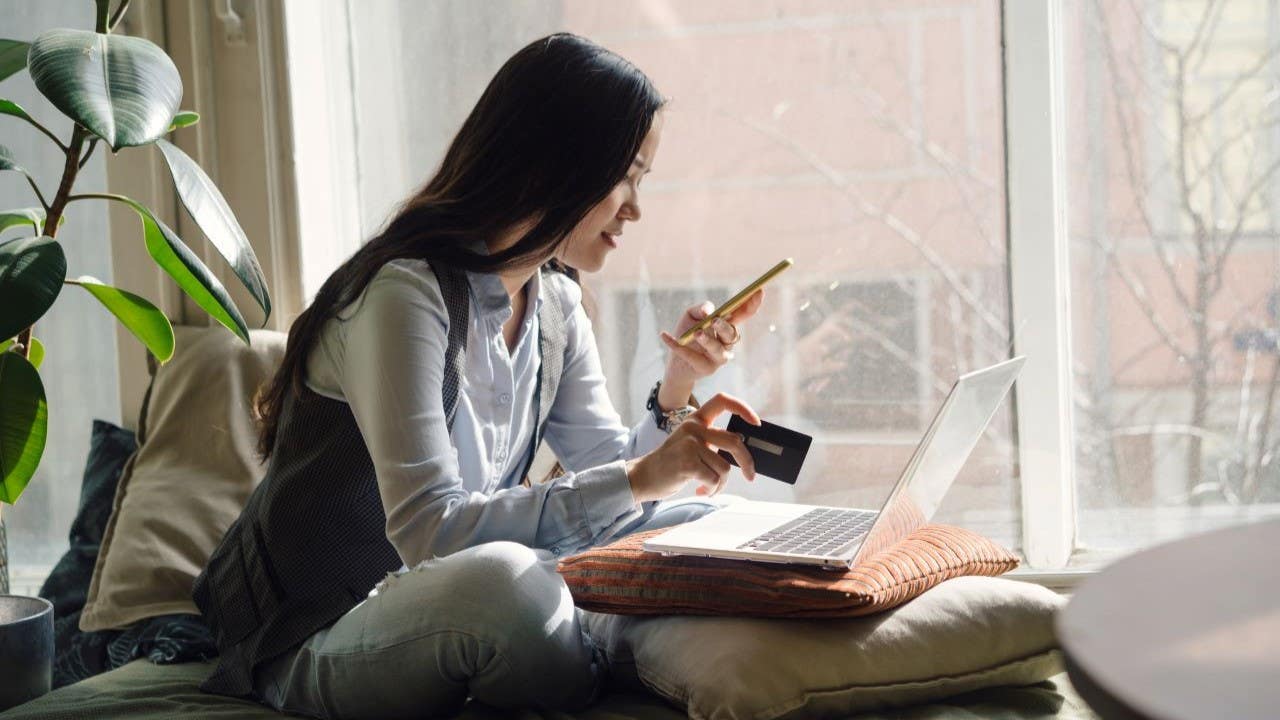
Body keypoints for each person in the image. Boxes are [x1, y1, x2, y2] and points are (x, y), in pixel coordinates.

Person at [192, 33, 766, 719]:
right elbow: (430, 532)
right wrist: (640, 480)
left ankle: (611, 634)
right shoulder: (404, 295)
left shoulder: (554, 303)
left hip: (455, 604)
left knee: (716, 519)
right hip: (323, 630)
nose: (635, 208)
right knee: (509, 588)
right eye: (627, 175)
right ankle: (610, 643)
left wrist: (675, 389)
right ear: (552, 163)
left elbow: (611, 471)